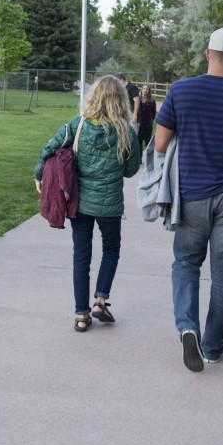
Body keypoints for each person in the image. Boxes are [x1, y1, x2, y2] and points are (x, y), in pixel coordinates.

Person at [154, 27, 223, 372]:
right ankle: (214, 346)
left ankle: (188, 327)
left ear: (207, 54)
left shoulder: (181, 91)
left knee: (186, 263)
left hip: (191, 195)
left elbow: (159, 145)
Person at [34, 75, 141, 332]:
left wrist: (38, 174)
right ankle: (100, 300)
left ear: (93, 97)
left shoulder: (77, 125)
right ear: (120, 100)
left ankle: (81, 316)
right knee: (111, 250)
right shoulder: (126, 131)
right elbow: (131, 170)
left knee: (81, 256)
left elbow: (50, 148)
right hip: (110, 205)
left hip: (79, 204)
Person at [137, 84, 157, 152]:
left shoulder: (151, 101)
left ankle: (148, 159)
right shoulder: (137, 100)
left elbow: (154, 112)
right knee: (138, 142)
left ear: (149, 91)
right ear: (141, 89)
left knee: (148, 142)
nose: (145, 90)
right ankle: (139, 159)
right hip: (139, 124)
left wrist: (151, 120)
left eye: (147, 89)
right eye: (144, 88)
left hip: (148, 125)